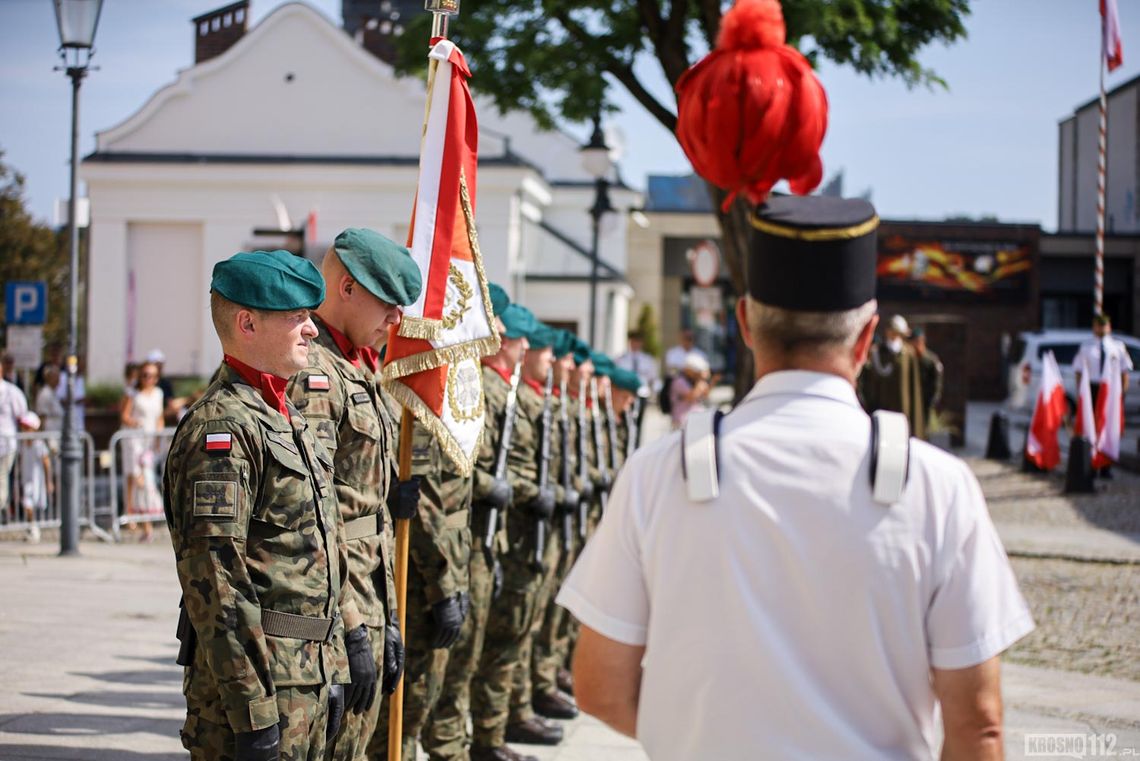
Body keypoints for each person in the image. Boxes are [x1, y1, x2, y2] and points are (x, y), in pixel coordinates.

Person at [557, 195, 1034, 761]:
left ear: (744, 324)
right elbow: (979, 724)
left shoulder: (658, 474)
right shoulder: (937, 486)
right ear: (866, 337)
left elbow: (600, 686)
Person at [163, 249, 350, 761]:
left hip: (307, 676)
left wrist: (337, 659)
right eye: (297, 318)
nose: (312, 330)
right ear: (246, 322)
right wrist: (254, 714)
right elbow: (217, 582)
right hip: (262, 690)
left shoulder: (284, 413)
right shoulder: (222, 428)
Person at [282, 228, 419, 760]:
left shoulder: (357, 366)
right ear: (345, 289)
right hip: (336, 602)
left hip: (368, 586)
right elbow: (314, 516)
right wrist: (354, 625)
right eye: (387, 303)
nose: (395, 321)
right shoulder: (312, 373)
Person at [422, 286, 539, 761]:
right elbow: (454, 468)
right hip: (454, 538)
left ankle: (466, 741)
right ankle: (453, 744)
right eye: (513, 336)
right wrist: (493, 487)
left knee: (472, 652)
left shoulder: (481, 385)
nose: (523, 347)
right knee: (451, 659)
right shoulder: (461, 383)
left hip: (476, 536)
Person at [1073, 313, 1134, 478]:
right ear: (1094, 327)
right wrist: (1081, 393)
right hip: (1093, 389)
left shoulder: (1118, 347)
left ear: (1109, 327)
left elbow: (1125, 372)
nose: (1101, 328)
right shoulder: (1086, 347)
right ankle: (1091, 464)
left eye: (1104, 325)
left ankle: (1106, 466)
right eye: (1098, 325)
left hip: (1111, 391)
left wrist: (1122, 393)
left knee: (1108, 428)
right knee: (1091, 427)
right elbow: (1079, 372)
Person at [858, 313, 927, 440]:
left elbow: (913, 387)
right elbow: (869, 382)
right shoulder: (878, 352)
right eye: (892, 331)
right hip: (882, 406)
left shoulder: (908, 353)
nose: (894, 335)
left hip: (903, 408)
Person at [121, 361, 165, 542]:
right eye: (145, 374)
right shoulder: (133, 393)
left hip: (150, 443)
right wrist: (134, 423)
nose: (148, 378)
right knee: (139, 480)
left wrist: (158, 436)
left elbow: (160, 417)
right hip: (135, 442)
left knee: (146, 480)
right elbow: (124, 415)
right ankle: (140, 521)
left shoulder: (158, 394)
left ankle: (142, 520)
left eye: (152, 375)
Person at [0, 366, 29, 519]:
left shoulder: (11, 391)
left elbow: (22, 416)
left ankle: (3, 509)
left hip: (6, 444)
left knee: (3, 478)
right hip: (6, 441)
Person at [17, 411, 50, 543]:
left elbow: (46, 462)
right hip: (26, 479)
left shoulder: (39, 444)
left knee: (31, 504)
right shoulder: (22, 444)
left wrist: (49, 481)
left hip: (37, 480)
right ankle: (33, 527)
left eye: (26, 428)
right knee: (28, 504)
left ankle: (33, 528)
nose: (23, 431)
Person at [911, 327, 944, 430]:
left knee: (923, 427)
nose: (916, 344)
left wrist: (933, 399)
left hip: (925, 399)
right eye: (914, 341)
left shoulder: (931, 359)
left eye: (918, 341)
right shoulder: (910, 357)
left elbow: (937, 382)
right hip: (912, 398)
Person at [668, 352, 711, 429]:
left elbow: (706, 395)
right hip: (681, 422)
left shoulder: (695, 381)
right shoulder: (679, 381)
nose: (697, 373)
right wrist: (700, 380)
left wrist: (708, 380)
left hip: (694, 420)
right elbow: (691, 397)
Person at [34, 365, 65, 435]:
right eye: (56, 377)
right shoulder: (45, 394)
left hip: (57, 433)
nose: (58, 380)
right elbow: (42, 417)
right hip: (50, 435)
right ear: (49, 378)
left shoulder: (53, 393)